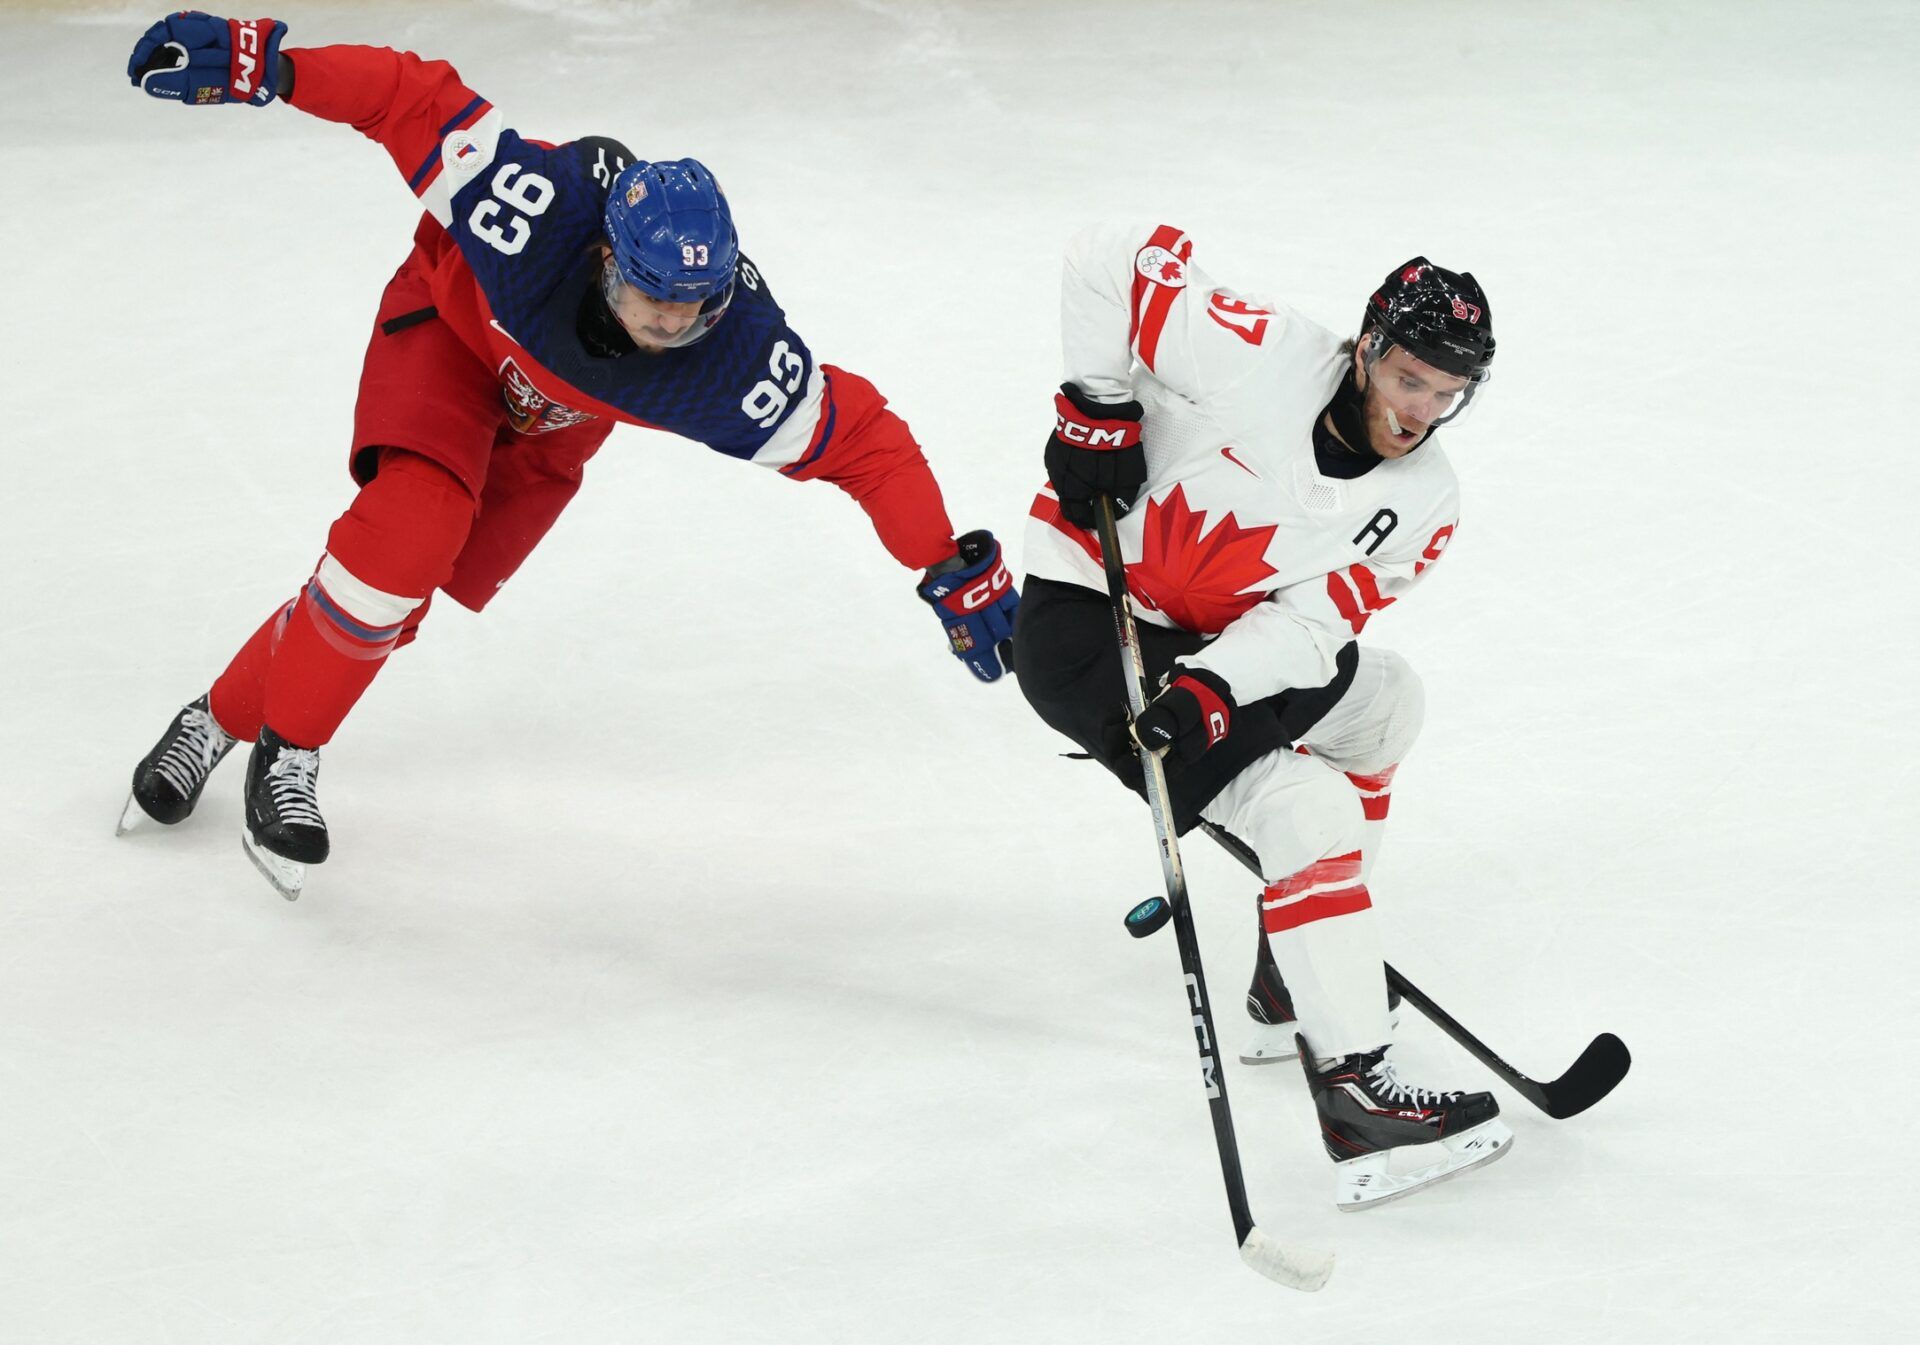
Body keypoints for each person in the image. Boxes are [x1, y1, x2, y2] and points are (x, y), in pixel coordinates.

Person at [115, 13, 1019, 899]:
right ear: (601, 257)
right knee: (405, 535)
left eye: (694, 308)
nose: (670, 326)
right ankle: (291, 748)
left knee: (383, 604)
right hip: (453, 339)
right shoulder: (530, 210)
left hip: (553, 428)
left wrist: (945, 560)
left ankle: (216, 717)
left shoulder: (731, 360)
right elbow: (403, 95)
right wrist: (266, 63)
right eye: (648, 294)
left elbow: (863, 443)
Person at [1014, 222, 1508, 1210]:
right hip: (1088, 620)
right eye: (1412, 379)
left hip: (1220, 649)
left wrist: (1210, 690)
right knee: (1307, 814)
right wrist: (1096, 408)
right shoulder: (1256, 351)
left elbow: (1314, 623)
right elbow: (1106, 259)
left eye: (1449, 394)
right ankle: (1355, 1089)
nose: (1423, 412)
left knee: (1386, 707)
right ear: (1368, 349)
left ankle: (1292, 967)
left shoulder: (1427, 501)